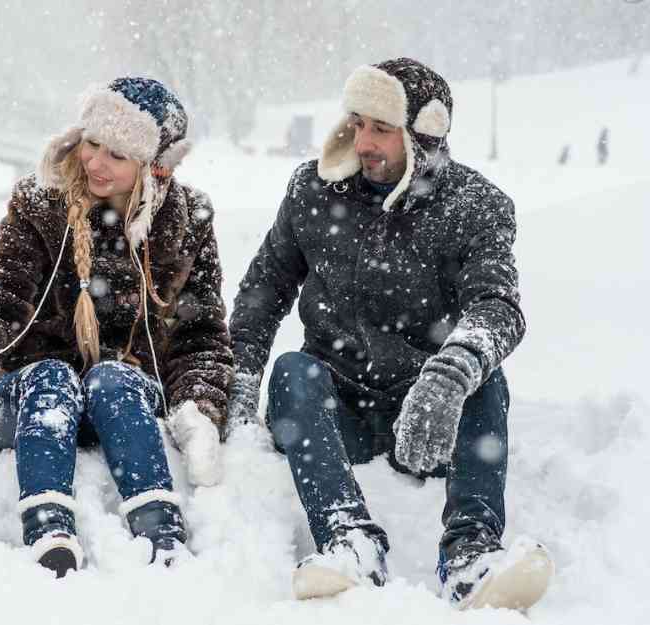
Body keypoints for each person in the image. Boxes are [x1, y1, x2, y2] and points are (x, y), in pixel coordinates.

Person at [227, 58, 552, 610]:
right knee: (291, 371)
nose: (364, 141)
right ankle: (348, 539)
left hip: (428, 418)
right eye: (357, 123)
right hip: (336, 412)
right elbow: (263, 293)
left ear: (422, 135)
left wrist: (449, 375)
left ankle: (472, 553)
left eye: (382, 128)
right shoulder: (312, 189)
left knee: (485, 377)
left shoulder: (476, 206)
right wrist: (236, 382)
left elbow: (498, 306)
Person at [0, 77, 233, 577]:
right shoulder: (41, 202)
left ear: (153, 166)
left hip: (121, 405)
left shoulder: (187, 219)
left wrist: (199, 409)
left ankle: (160, 527)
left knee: (114, 377)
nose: (95, 163)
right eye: (91, 144)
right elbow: (1, 300)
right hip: (28, 400)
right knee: (52, 376)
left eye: (117, 155)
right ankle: (49, 526)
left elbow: (200, 332)